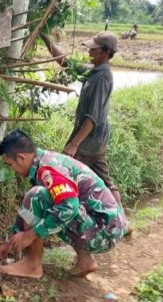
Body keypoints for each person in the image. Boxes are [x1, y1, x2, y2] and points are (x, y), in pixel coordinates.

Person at [0, 129, 128, 279]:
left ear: (20, 157)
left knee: (37, 196)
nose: (11, 170)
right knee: (49, 206)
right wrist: (11, 240)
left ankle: (32, 265)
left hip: (105, 232)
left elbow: (69, 207)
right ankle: (85, 261)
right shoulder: (46, 162)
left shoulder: (47, 169)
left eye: (9, 164)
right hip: (108, 226)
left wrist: (29, 235)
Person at [41, 32, 125, 211]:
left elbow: (92, 117)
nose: (90, 50)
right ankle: (121, 220)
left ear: (105, 52)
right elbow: (66, 63)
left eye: (94, 48)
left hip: (90, 140)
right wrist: (46, 38)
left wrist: (74, 144)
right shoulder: (94, 71)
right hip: (95, 140)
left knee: (63, 174)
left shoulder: (102, 78)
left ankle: (61, 218)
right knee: (104, 180)